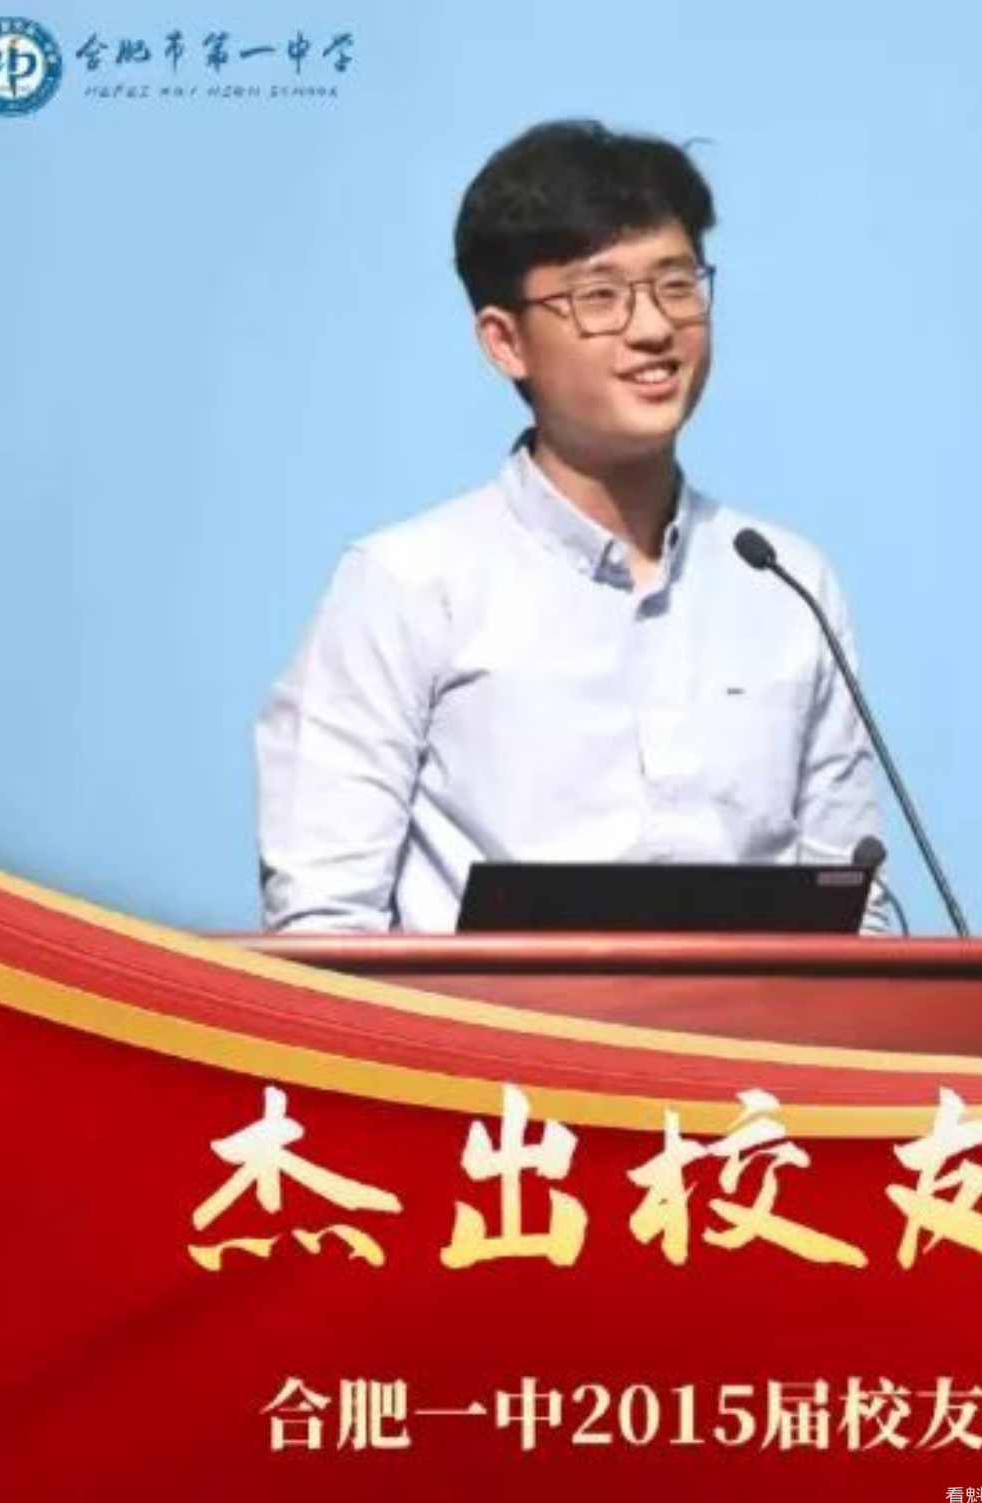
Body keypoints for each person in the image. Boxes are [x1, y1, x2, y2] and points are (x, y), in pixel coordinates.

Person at [256, 119, 885, 933]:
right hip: (471, 1023)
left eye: (677, 285)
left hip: (747, 1023)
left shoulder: (786, 584)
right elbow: (324, 924)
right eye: (600, 297)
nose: (653, 329)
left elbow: (853, 918)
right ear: (505, 342)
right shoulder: (407, 585)